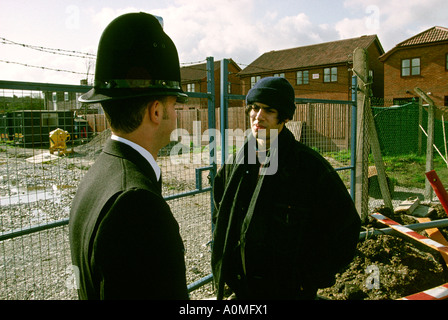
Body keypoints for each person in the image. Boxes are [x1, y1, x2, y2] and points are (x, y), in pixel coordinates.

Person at [69, 12, 189, 300]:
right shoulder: (137, 206)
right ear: (157, 111)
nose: (178, 114)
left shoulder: (99, 174)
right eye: (176, 104)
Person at [211, 77, 361, 300]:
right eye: (254, 108)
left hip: (289, 291)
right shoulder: (234, 166)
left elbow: (345, 228)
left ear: (285, 117)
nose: (258, 116)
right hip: (243, 288)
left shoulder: (310, 168)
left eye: (268, 110)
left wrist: (311, 278)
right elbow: (219, 216)